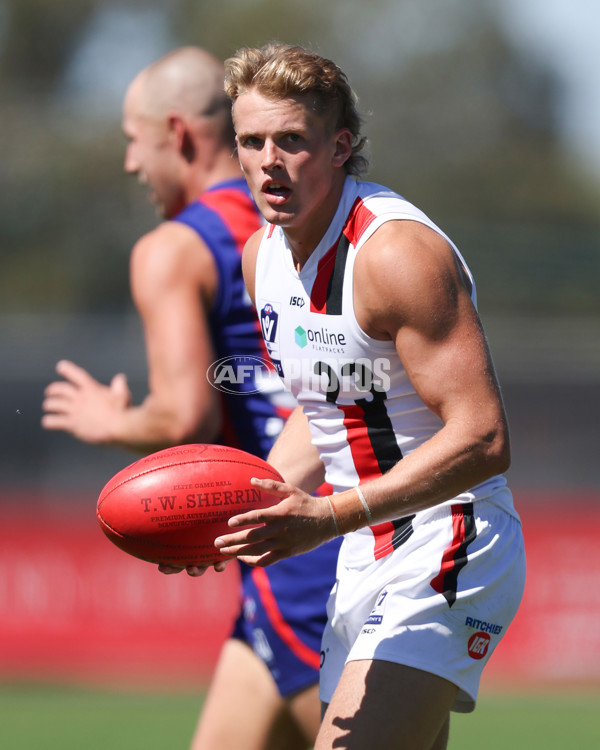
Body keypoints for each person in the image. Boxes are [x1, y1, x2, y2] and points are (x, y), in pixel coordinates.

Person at [196, 42, 527, 750]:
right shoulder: (263, 258)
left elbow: (484, 437)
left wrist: (329, 516)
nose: (268, 161)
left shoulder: (396, 256)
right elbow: (320, 416)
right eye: (251, 141)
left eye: (292, 141)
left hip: (450, 537)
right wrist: (219, 521)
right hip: (362, 553)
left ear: (341, 145)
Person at [41, 46, 341, 750]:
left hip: (297, 548)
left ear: (177, 135)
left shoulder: (174, 249)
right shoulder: (302, 219)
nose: (129, 164)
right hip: (311, 517)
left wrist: (113, 420)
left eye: (132, 142)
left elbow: (187, 414)